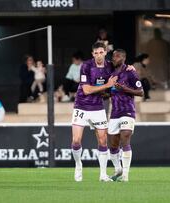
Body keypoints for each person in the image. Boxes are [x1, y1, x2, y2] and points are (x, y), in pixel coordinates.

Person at [71, 42, 118, 182]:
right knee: (76, 140)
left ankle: (103, 175)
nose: (98, 55)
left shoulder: (110, 66)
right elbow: (86, 90)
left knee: (103, 141)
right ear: (93, 54)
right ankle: (78, 165)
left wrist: (130, 68)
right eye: (96, 53)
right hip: (81, 106)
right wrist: (107, 86)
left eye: (101, 52)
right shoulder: (86, 66)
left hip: (98, 107)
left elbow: (121, 70)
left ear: (105, 52)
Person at [108, 49, 144, 182]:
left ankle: (125, 176)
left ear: (123, 58)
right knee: (113, 145)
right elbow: (110, 92)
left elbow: (140, 92)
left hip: (128, 111)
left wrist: (124, 89)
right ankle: (118, 169)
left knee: (125, 139)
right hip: (114, 113)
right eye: (113, 56)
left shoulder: (130, 72)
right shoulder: (111, 73)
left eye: (117, 56)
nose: (114, 58)